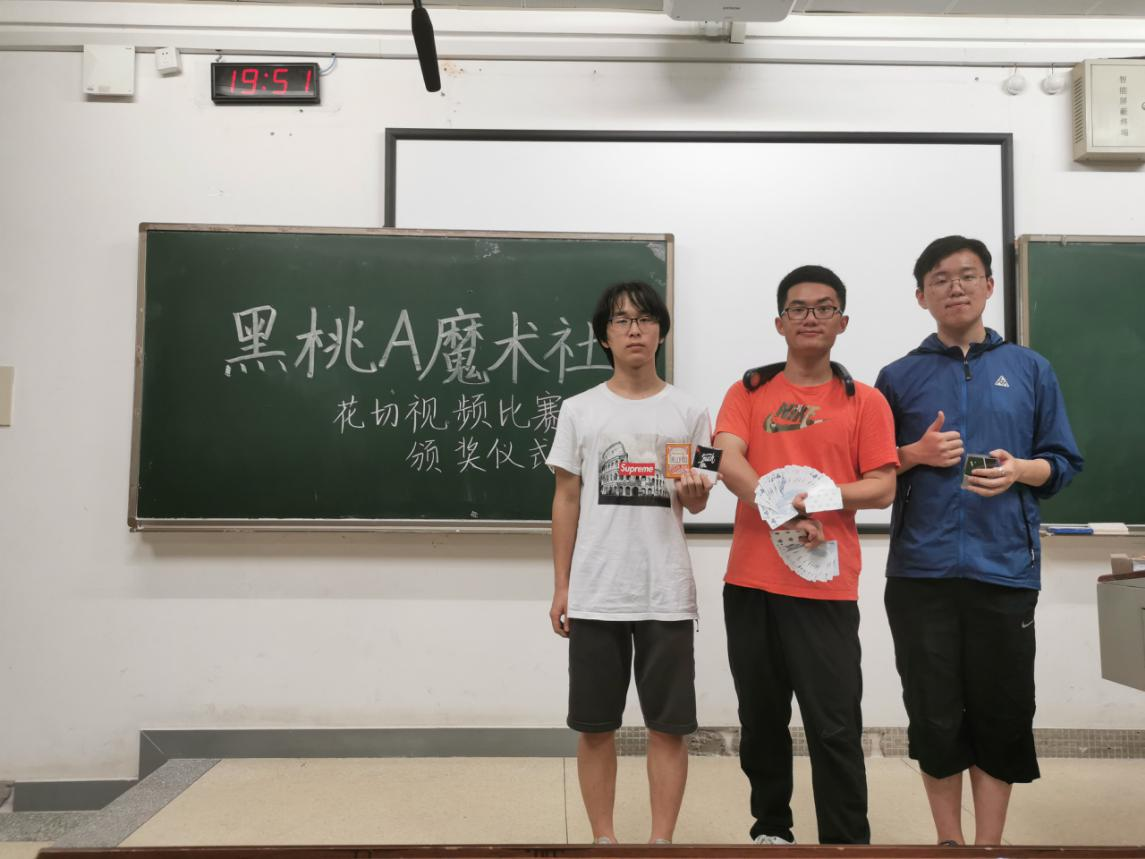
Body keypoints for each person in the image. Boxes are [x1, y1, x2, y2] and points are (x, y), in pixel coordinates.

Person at [874, 235, 1083, 846]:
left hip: (1005, 569)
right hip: (920, 573)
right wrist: (913, 454)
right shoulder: (898, 377)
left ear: (990, 285)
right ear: (921, 296)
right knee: (934, 715)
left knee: (1001, 713)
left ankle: (988, 844)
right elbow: (872, 470)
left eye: (967, 275)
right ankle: (949, 842)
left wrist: (1020, 470)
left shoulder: (1030, 369)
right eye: (939, 279)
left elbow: (1062, 463)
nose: (955, 287)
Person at [713, 265, 898, 845]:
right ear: (780, 323)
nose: (810, 317)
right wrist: (780, 508)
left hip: (825, 586)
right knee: (760, 720)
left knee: (835, 724)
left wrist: (818, 498)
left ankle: (845, 841)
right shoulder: (748, 391)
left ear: (842, 321)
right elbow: (727, 458)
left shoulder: (865, 401)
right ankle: (771, 829)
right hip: (752, 583)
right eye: (798, 308)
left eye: (824, 308)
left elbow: (882, 487)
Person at [546, 280, 713, 845]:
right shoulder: (579, 409)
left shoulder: (691, 411)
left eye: (645, 319)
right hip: (597, 590)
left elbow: (697, 500)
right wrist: (562, 585)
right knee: (595, 727)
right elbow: (566, 497)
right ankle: (604, 840)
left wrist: (694, 492)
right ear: (604, 337)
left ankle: (661, 842)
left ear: (661, 330)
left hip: (665, 591)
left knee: (669, 728)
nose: (634, 329)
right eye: (621, 321)